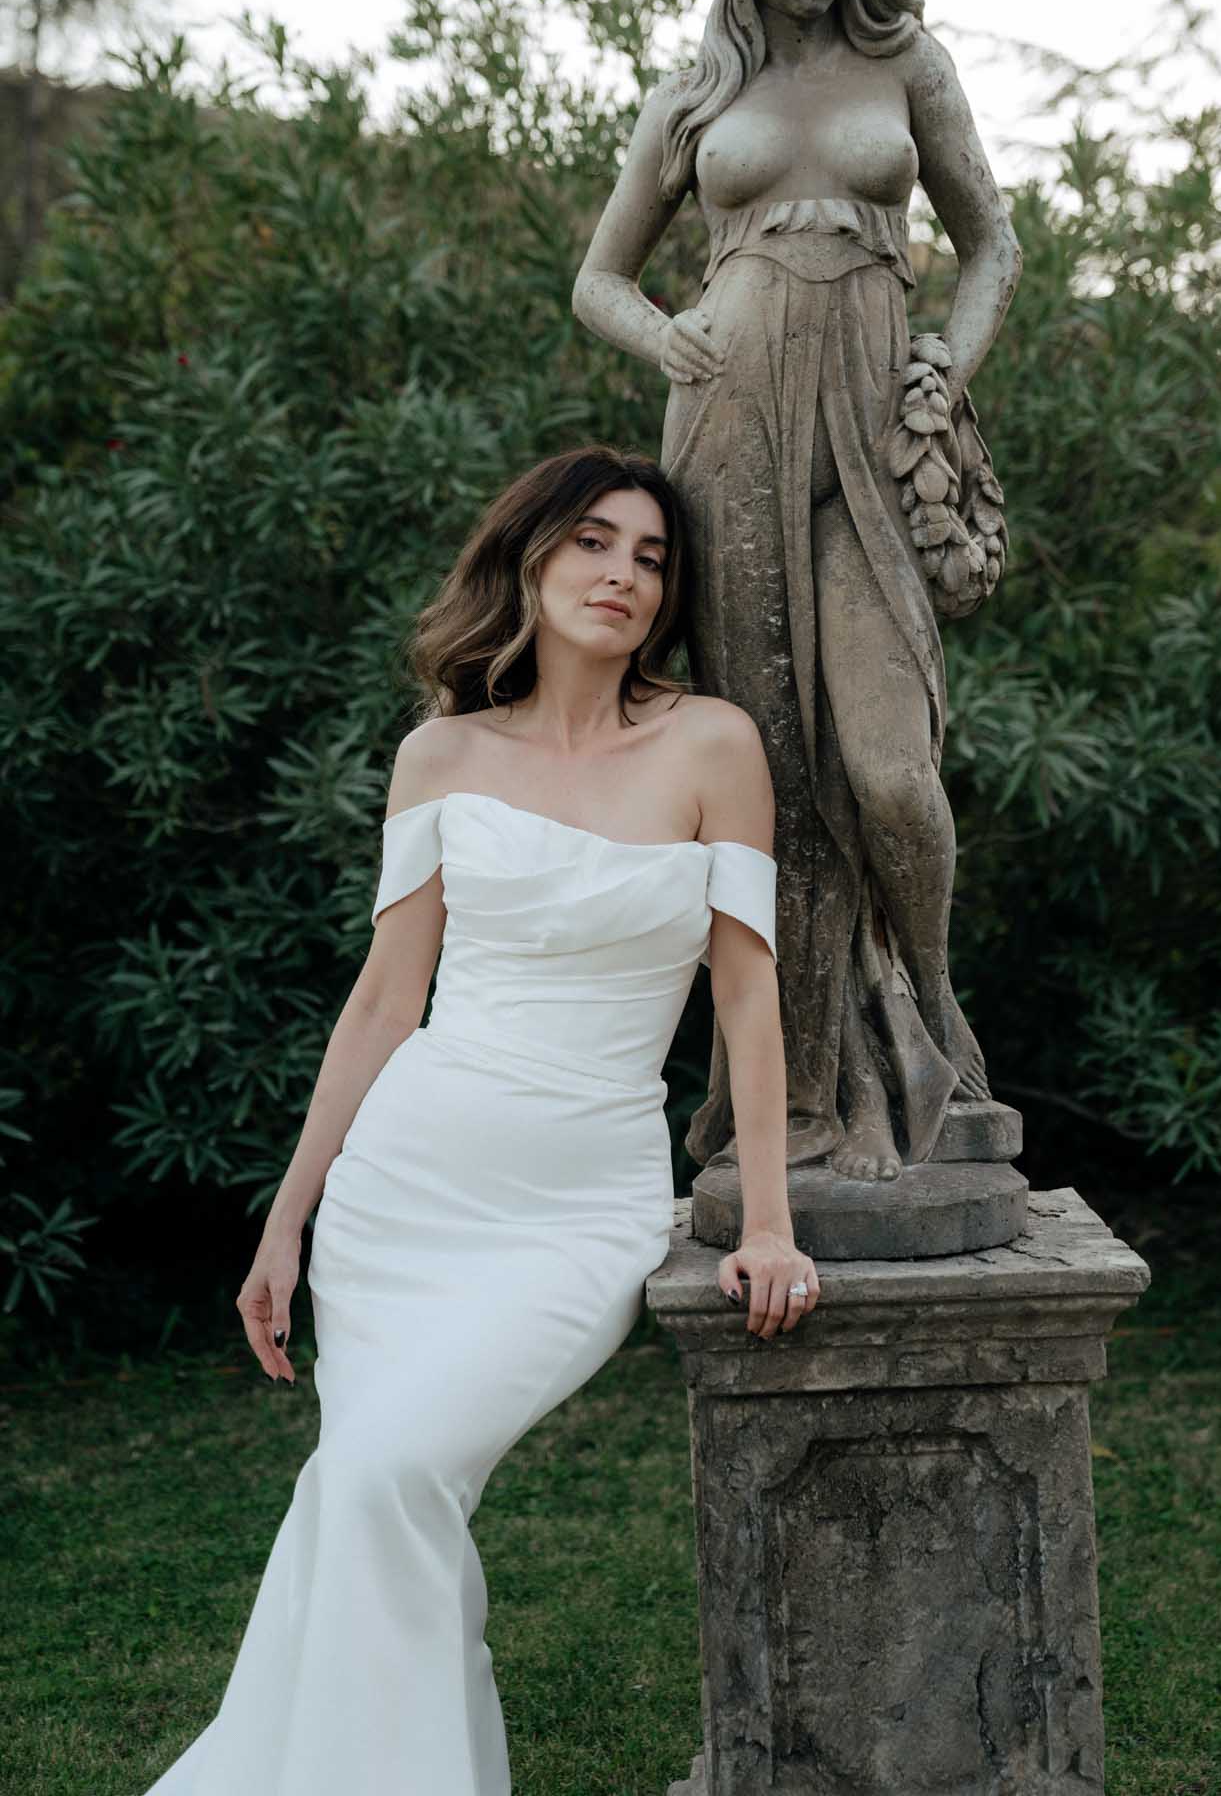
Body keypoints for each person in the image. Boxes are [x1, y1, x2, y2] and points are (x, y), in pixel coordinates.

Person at [141, 443, 818, 1796]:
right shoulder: (439, 756)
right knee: (382, 1490)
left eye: (650, 556)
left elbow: (745, 989)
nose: (622, 574)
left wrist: (771, 1222)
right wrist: (287, 1224)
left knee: (386, 1477)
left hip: (576, 1209)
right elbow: (386, 1001)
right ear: (528, 553)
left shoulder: (709, 744)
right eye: (592, 542)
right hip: (404, 1192)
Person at [574, 0, 1023, 1181]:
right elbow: (598, 280)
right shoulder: (696, 96)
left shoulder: (909, 65)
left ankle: (930, 1011)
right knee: (763, 776)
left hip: (876, 428)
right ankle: (801, 1101)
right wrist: (668, 337)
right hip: (729, 428)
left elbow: (990, 242)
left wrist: (948, 361)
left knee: (887, 770)